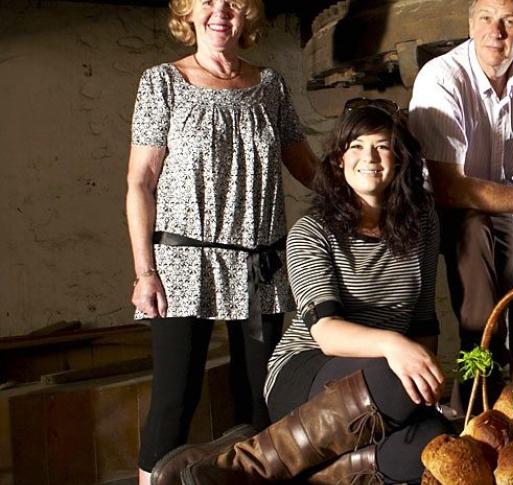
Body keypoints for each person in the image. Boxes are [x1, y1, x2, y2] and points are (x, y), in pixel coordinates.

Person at [153, 98, 450, 485]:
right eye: (356, 146)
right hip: (305, 368)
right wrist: (396, 347)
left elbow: (424, 315)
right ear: (339, 160)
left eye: (382, 146)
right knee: (394, 379)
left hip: (383, 375)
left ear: (400, 158)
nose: (369, 157)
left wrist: (426, 380)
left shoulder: (423, 220)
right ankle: (246, 465)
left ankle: (284, 472)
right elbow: (325, 331)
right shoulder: (312, 232)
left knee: (432, 443)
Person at [125, 0, 317, 483]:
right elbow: (140, 183)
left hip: (259, 266)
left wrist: (364, 188)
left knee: (259, 397)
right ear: (188, 12)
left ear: (247, 14)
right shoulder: (162, 83)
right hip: (184, 261)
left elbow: (304, 165)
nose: (220, 11)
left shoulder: (270, 85)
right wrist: (145, 271)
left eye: (232, 1)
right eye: (207, 0)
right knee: (176, 397)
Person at [407, 0, 513, 402]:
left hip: (505, 200)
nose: (497, 31)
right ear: (471, 25)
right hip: (447, 207)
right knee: (476, 247)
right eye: (487, 19)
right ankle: (477, 390)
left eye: (510, 22)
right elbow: (450, 189)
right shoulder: (441, 78)